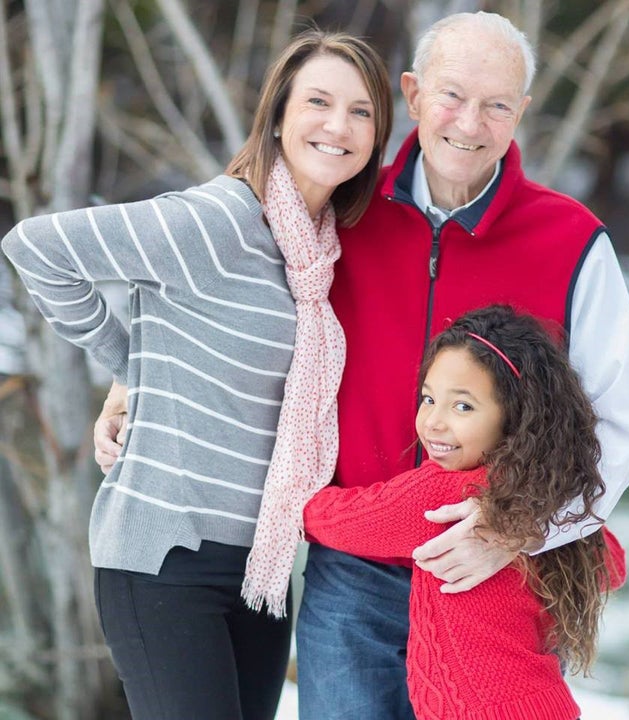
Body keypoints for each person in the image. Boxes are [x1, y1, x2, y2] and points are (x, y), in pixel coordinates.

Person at [2, 29, 392, 720]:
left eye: (361, 111)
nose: (339, 125)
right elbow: (36, 248)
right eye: (320, 102)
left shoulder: (322, 257)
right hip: (164, 558)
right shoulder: (219, 220)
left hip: (260, 570)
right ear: (277, 114)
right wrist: (128, 366)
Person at [296, 11, 629, 719]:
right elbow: (224, 297)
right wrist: (130, 376)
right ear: (414, 93)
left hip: (496, 578)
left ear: (519, 112)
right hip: (354, 577)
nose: (471, 121)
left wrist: (516, 531)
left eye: (497, 104)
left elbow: (619, 431)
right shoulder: (338, 212)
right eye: (453, 95)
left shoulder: (572, 241)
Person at [303, 304, 627, 720]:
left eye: (463, 407)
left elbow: (336, 519)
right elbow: (613, 564)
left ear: (514, 417)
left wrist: (291, 499)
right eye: (428, 398)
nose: (434, 422)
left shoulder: (446, 494)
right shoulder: (550, 502)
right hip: (546, 706)